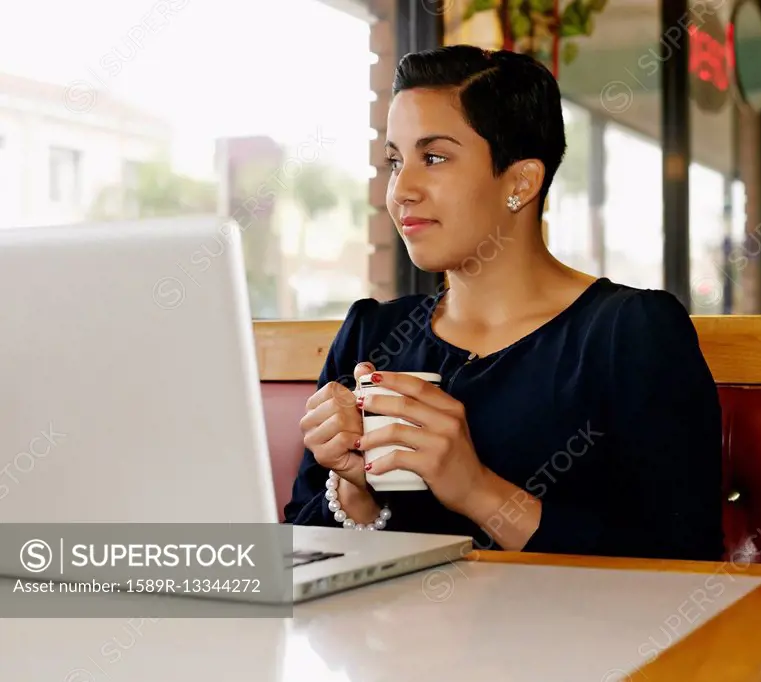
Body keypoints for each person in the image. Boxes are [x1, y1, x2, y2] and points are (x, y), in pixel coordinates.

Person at [284, 44, 723, 561]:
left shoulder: (629, 333)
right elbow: (296, 554)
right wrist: (355, 491)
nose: (401, 189)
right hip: (392, 641)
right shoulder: (371, 335)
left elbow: (681, 561)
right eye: (395, 161)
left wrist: (475, 489)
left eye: (434, 157)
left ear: (520, 182)